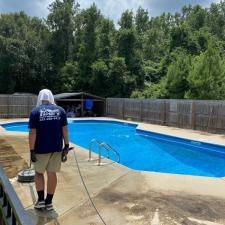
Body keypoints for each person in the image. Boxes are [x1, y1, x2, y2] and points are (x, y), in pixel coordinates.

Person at [29, 89, 69, 211]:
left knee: (39, 173)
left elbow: (32, 133)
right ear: (51, 97)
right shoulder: (60, 111)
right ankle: (49, 202)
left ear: (40, 98)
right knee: (52, 174)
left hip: (41, 149)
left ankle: (41, 201)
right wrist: (66, 145)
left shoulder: (35, 112)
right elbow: (65, 130)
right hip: (56, 149)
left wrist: (31, 150)